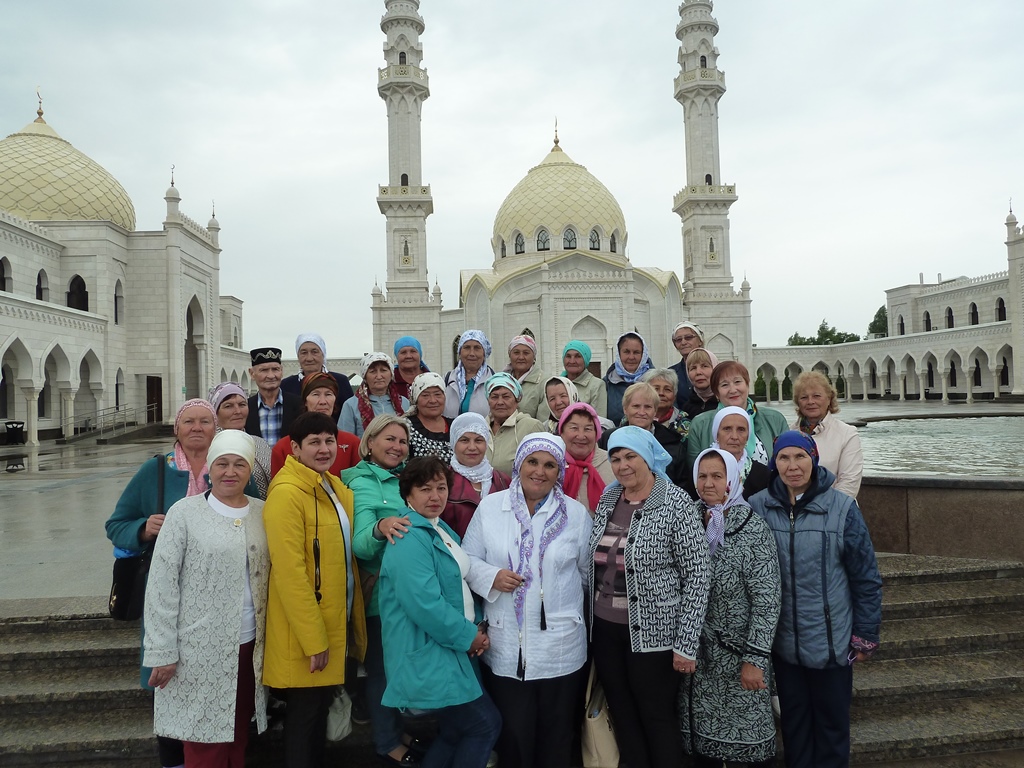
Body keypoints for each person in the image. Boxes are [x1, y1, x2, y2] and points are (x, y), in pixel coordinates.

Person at [748, 431, 882, 768]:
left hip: (831, 644)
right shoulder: (759, 506)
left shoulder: (841, 508)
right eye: (784, 458)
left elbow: (865, 576)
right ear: (774, 463)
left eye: (800, 457)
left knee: (832, 728)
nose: (793, 466)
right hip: (784, 645)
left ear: (814, 459)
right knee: (794, 728)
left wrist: (865, 634)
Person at [105, 399, 222, 768]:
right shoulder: (155, 470)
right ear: (177, 428)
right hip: (166, 595)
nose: (197, 428)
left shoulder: (229, 467)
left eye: (205, 421)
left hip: (217, 594)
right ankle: (174, 759)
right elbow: (116, 524)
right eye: (189, 421)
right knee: (168, 680)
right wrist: (142, 528)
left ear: (216, 429)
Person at [463, 434, 592, 768]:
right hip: (506, 647)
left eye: (549, 465)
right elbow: (467, 561)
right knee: (515, 738)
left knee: (557, 736)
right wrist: (492, 576)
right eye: (533, 462)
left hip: (561, 647)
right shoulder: (492, 507)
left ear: (558, 471)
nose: (540, 471)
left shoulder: (576, 515)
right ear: (519, 464)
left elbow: (586, 575)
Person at [143, 430, 271, 766]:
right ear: (210, 469)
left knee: (237, 736)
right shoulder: (184, 514)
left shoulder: (263, 512)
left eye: (239, 464)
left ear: (249, 470)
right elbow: (162, 586)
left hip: (249, 645)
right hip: (196, 649)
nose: (230, 471)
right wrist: (162, 651)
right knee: (203, 740)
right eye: (222, 464)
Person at [588, 426, 709, 768]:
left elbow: (698, 575)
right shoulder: (609, 498)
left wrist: (686, 643)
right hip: (607, 632)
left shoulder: (675, 502)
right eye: (615, 458)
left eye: (631, 457)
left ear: (648, 458)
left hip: (655, 636)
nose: (623, 465)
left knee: (656, 717)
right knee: (623, 715)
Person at [379, 457, 502, 768]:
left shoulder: (437, 527)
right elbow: (425, 604)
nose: (435, 496)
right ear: (408, 495)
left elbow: (454, 589)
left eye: (441, 487)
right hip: (433, 647)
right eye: (425, 489)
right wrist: (468, 636)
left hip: (450, 647)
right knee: (483, 724)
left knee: (455, 731)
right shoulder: (409, 536)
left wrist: (474, 629)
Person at [263, 411, 368, 768]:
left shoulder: (331, 487)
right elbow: (290, 573)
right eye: (314, 443)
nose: (324, 450)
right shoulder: (288, 493)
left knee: (318, 713)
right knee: (305, 719)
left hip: (331, 622)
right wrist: (314, 639)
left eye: (328, 441)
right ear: (294, 448)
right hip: (306, 633)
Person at [679, 448, 780, 768]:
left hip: (738, 659)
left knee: (747, 749)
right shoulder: (686, 518)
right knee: (702, 750)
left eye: (717, 476)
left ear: (732, 481)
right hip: (697, 660)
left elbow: (767, 599)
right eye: (703, 475)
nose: (708, 483)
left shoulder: (753, 528)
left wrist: (755, 660)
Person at [342, 415, 425, 767]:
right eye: (389, 439)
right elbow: (360, 545)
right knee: (380, 671)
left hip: (407, 589)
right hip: (380, 594)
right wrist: (380, 526)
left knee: (397, 667)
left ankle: (396, 727)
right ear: (370, 442)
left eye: (403, 441)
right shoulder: (363, 482)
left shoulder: (404, 476)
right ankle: (387, 741)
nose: (397, 447)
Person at [686, 360, 789, 474]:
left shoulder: (775, 419)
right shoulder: (700, 424)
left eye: (737, 382)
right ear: (716, 393)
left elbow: (787, 461)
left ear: (747, 385)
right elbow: (695, 470)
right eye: (724, 385)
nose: (733, 390)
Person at [270, 372, 361, 478]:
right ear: (305, 400)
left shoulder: (352, 443)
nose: (323, 401)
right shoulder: (283, 447)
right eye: (316, 394)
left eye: (328, 394)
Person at [792, 371, 864, 498]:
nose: (810, 402)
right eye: (804, 397)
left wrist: (822, 512)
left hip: (836, 512)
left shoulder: (847, 434)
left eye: (817, 396)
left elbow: (849, 483)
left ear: (829, 398)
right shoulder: (789, 434)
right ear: (798, 402)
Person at [601, 382, 687, 486]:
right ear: (625, 409)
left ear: (655, 411)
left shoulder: (673, 443)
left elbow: (684, 485)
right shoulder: (608, 438)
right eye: (636, 406)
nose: (641, 412)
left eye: (648, 407)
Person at [443, 412, 511, 539]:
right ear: (453, 443)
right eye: (464, 440)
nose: (472, 447)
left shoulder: (503, 481)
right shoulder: (442, 481)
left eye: (479, 440)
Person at [210, 381, 273, 498]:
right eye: (228, 406)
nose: (238, 411)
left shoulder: (259, 443)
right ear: (215, 412)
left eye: (242, 404)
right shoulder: (212, 448)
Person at [557, 402, 613, 515]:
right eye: (574, 428)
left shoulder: (612, 464)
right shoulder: (552, 464)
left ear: (597, 434)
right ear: (561, 432)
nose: (581, 436)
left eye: (588, 429)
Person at [484, 372, 544, 476]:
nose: (500, 402)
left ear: (517, 400)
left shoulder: (530, 427)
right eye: (494, 397)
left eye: (506, 397)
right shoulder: (480, 429)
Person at [340, 352, 410, 438]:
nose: (379, 376)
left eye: (383, 370)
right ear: (365, 376)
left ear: (391, 374)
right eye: (373, 371)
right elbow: (345, 441)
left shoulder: (404, 403)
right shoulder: (351, 405)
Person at [280, 332, 356, 407]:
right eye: (304, 353)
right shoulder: (287, 385)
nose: (309, 358)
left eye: (314, 352)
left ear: (323, 354)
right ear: (298, 356)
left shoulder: (340, 381)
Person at [246, 347, 303, 446]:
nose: (271, 376)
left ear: (281, 371)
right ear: (252, 373)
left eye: (275, 369)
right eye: (264, 370)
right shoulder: (246, 408)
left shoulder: (299, 405)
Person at [603, 331, 654, 426]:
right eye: (626, 352)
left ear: (643, 355)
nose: (631, 357)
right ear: (619, 353)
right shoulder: (607, 384)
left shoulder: (656, 382)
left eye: (636, 352)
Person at [444, 330, 496, 418]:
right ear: (460, 353)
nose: (472, 353)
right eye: (467, 348)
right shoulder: (447, 380)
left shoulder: (494, 382)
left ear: (484, 353)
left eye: (477, 348)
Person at [405, 372, 453, 462]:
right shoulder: (406, 427)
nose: (433, 400)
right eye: (425, 395)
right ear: (416, 399)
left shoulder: (455, 426)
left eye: (437, 394)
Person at [561, 340, 607, 418]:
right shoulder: (558, 384)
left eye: (578, 356)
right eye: (568, 356)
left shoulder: (597, 385)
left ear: (585, 360)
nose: (572, 361)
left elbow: (599, 420)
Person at [505, 334, 547, 419]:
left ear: (534, 356)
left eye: (526, 353)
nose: (521, 357)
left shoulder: (544, 383)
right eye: (516, 352)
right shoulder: (502, 380)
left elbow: (543, 422)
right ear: (510, 355)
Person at [669, 321, 705, 409]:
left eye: (688, 338)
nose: (683, 342)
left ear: (700, 341)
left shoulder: (715, 369)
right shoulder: (670, 374)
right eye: (678, 340)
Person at [680, 348, 720, 420]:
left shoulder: (726, 402)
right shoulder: (687, 409)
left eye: (704, 366)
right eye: (693, 368)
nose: (698, 372)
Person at [392, 335, 430, 402]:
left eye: (413, 351)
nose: (408, 356)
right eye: (403, 352)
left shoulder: (431, 380)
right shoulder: (389, 381)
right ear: (396, 356)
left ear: (420, 355)